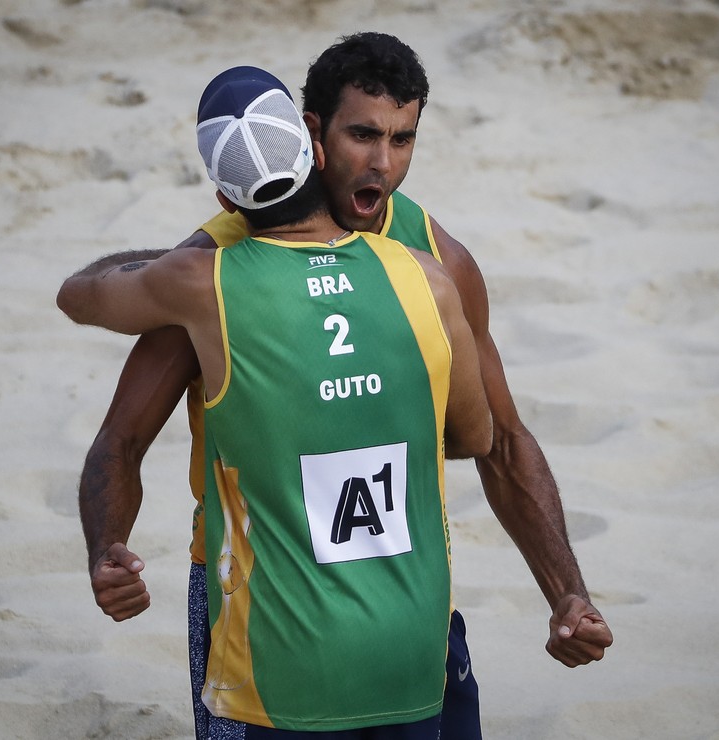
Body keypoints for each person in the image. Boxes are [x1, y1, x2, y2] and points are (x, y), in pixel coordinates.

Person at [75, 32, 612, 738]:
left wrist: (567, 595)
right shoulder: (210, 275)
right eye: (363, 135)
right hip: (258, 605)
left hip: (404, 590)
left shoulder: (438, 262)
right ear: (311, 133)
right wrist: (107, 548)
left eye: (403, 139)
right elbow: (121, 439)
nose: (383, 164)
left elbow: (501, 443)